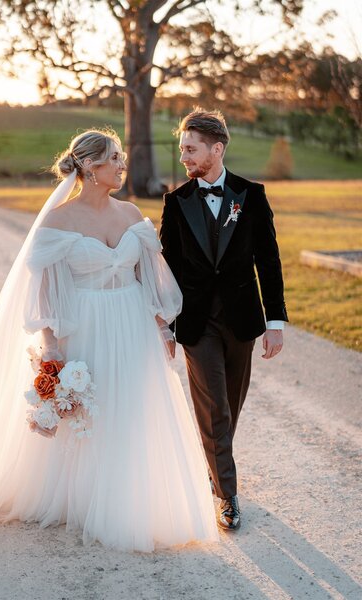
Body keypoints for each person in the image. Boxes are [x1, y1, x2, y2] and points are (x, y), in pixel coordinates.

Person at [0, 128, 219, 552]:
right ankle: (79, 496)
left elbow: (149, 278)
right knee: (87, 414)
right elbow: (44, 290)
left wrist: (160, 329)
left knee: (130, 405)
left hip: (131, 320)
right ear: (89, 166)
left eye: (120, 157)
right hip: (85, 323)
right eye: (114, 158)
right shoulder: (58, 221)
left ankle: (128, 494)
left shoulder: (133, 214)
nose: (122, 164)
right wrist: (52, 348)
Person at [160, 109, 288, 531]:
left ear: (216, 149)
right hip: (197, 324)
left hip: (242, 321)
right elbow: (169, 268)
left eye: (191, 150)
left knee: (230, 407)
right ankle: (226, 496)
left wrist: (276, 322)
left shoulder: (251, 195)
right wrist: (165, 324)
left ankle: (214, 466)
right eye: (182, 150)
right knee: (215, 405)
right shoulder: (176, 203)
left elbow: (268, 262)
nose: (184, 158)